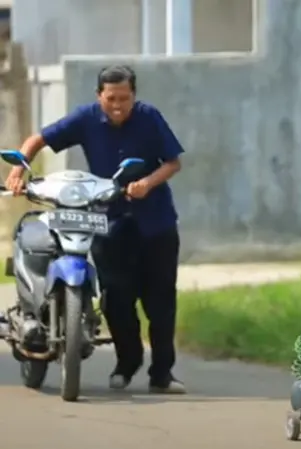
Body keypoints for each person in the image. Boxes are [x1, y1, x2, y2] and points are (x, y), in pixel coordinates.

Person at [3, 65, 186, 394]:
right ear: (99, 96)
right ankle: (126, 365)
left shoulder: (150, 117)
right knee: (116, 299)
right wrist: (20, 168)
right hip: (107, 221)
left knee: (160, 302)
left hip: (156, 222)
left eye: (125, 98)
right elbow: (38, 139)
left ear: (134, 95)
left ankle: (162, 374)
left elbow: (173, 162)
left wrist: (146, 183)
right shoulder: (85, 118)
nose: (118, 105)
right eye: (111, 98)